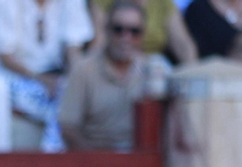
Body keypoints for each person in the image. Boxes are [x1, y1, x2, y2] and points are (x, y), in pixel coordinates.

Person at [61, 2, 170, 152]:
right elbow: (68, 127)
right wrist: (99, 160)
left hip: (141, 158)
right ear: (106, 30)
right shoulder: (84, 69)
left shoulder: (155, 69)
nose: (126, 37)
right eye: (118, 30)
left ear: (143, 34)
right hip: (96, 155)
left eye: (135, 31)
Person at [0, 0, 95, 151]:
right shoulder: (5, 3)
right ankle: (53, 157)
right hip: (13, 77)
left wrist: (77, 80)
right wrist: (40, 78)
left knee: (69, 94)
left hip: (53, 77)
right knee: (58, 104)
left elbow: (73, 49)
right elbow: (5, 57)